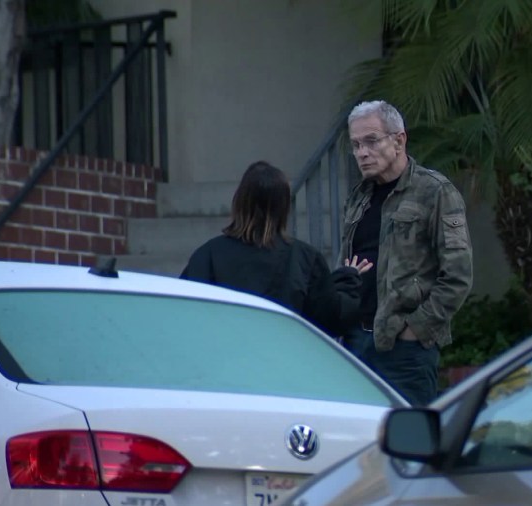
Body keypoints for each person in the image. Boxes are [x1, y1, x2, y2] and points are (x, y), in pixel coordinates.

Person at [339, 100, 473, 405]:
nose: (362, 152)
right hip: (356, 342)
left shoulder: (435, 191)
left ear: (399, 140)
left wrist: (416, 328)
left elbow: (458, 275)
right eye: (356, 144)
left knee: (411, 439)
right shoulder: (359, 197)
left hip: (405, 349)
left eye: (371, 141)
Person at [181, 160, 372, 336]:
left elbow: (186, 312)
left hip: (227, 362)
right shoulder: (304, 259)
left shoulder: (208, 255)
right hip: (285, 363)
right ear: (284, 207)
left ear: (239, 201)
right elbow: (331, 318)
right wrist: (349, 279)